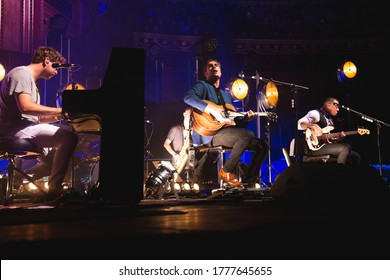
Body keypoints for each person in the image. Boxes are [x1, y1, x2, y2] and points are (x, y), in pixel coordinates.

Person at [0, 46, 79, 202]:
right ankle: (55, 189)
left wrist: (61, 116)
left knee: (52, 163)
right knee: (69, 138)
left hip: (24, 127)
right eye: (56, 66)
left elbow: (34, 118)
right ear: (47, 61)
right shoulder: (21, 74)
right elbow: (26, 107)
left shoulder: (31, 82)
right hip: (13, 130)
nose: (57, 72)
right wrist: (60, 110)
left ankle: (14, 179)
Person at [184, 58, 269, 188]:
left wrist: (245, 119)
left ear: (221, 72)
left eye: (216, 65)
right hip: (211, 135)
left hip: (226, 132)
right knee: (247, 134)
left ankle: (249, 180)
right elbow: (188, 97)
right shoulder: (202, 86)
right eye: (209, 66)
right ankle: (226, 171)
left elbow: (234, 124)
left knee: (263, 145)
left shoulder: (225, 95)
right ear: (205, 72)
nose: (213, 67)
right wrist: (212, 110)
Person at [297, 96, 361, 164]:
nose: (338, 109)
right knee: (346, 147)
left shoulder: (329, 119)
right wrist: (313, 126)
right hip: (314, 148)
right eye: (336, 106)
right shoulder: (315, 113)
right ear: (329, 105)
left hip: (323, 146)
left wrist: (338, 139)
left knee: (356, 156)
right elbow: (298, 124)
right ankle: (340, 172)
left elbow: (327, 138)